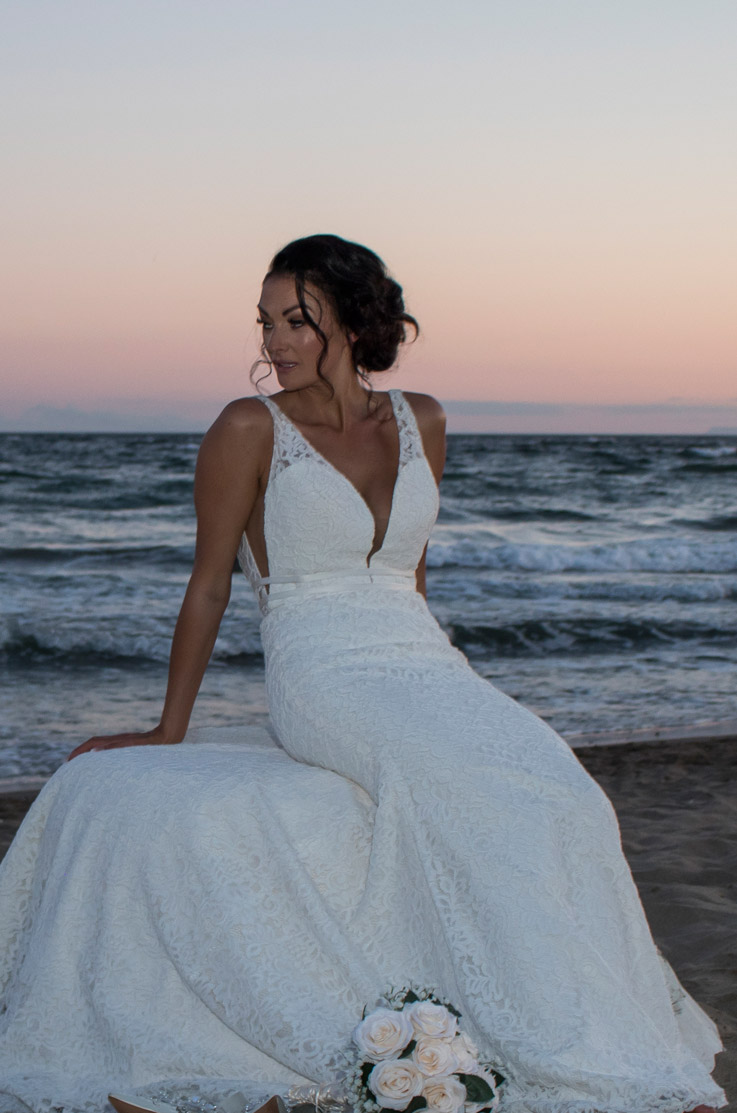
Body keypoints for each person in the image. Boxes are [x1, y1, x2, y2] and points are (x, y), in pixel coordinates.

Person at [0, 234, 725, 1113]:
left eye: (296, 318)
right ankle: (565, 1055)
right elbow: (207, 585)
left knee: (561, 791)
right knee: (456, 788)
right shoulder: (245, 426)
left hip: (421, 654)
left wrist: (442, 674)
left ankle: (612, 1036)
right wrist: (166, 727)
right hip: (321, 667)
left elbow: (410, 572)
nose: (275, 339)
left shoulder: (423, 417)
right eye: (266, 321)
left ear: (349, 319)